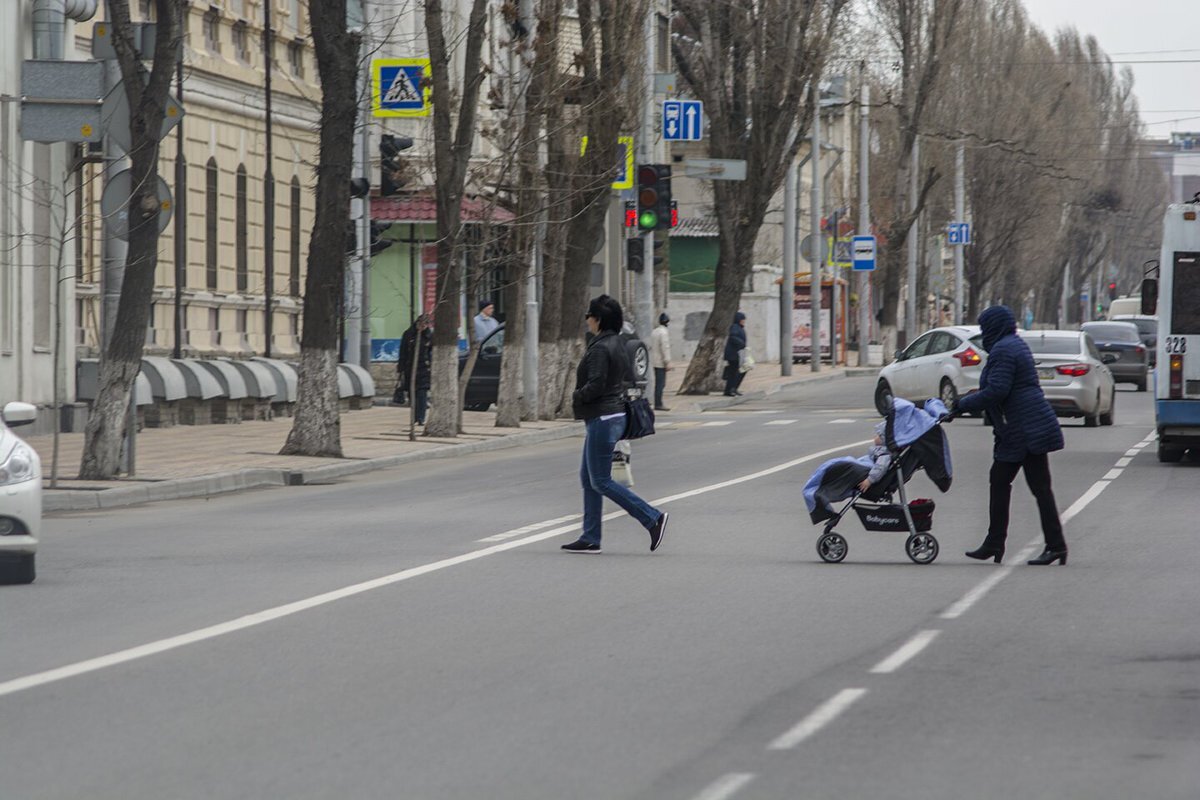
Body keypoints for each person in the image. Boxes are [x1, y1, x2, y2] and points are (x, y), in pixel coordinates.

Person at [953, 305, 1067, 565]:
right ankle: (1002, 543)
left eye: (985, 328)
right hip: (1025, 426)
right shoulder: (1014, 344)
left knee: (1023, 485)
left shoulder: (1004, 349)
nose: (984, 333)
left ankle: (1048, 545)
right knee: (1020, 484)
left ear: (995, 326)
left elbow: (997, 391)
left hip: (1025, 429)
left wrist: (962, 404)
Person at [562, 295, 669, 554]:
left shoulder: (599, 348)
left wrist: (576, 396)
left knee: (600, 480)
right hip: (613, 415)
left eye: (589, 316)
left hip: (603, 417)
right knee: (588, 478)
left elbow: (596, 384)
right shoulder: (619, 342)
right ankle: (590, 537)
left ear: (598, 319)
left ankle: (652, 517)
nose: (587, 320)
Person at [397, 314, 433, 425]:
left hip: (424, 369)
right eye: (420, 324)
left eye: (425, 325)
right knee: (412, 395)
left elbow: (431, 352)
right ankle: (414, 417)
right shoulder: (408, 335)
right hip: (410, 368)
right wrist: (401, 368)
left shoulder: (429, 336)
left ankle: (421, 418)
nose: (422, 327)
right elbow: (403, 352)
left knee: (422, 394)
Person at [856, 422, 893, 493]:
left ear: (884, 439)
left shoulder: (884, 454)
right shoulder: (881, 450)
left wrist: (869, 480)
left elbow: (880, 467)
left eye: (878, 435)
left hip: (868, 469)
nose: (875, 437)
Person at [723, 311, 748, 396]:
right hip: (733, 354)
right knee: (733, 372)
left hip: (738, 353)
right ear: (738, 319)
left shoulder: (740, 327)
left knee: (741, 371)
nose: (744, 321)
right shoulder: (735, 327)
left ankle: (733, 388)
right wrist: (742, 343)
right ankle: (729, 390)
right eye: (742, 319)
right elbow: (733, 337)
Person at [650, 312, 672, 411]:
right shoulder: (664, 333)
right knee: (661, 384)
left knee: (658, 383)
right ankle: (658, 403)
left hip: (654, 361)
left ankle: (657, 402)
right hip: (661, 362)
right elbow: (665, 347)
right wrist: (667, 362)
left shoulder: (654, 331)